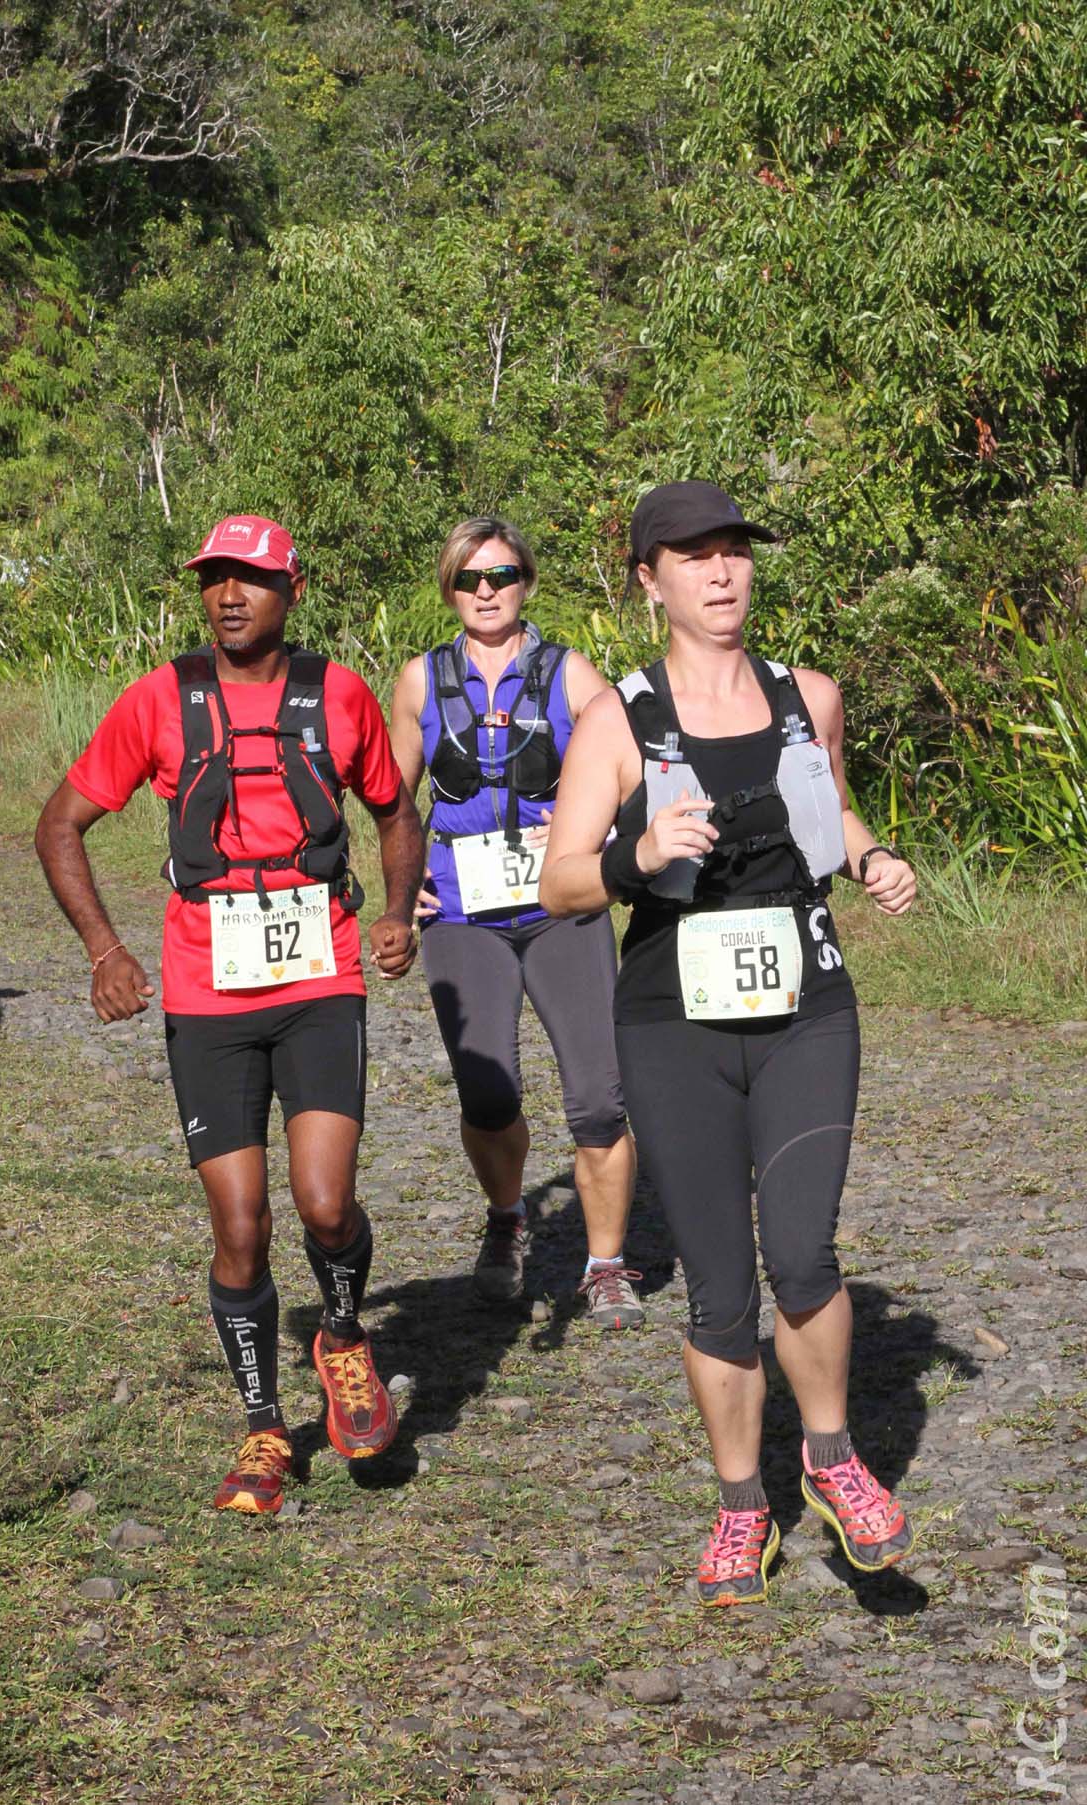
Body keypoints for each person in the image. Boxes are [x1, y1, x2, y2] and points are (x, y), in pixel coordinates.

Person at [539, 480, 918, 1603]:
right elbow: (561, 881)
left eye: (734, 553)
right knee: (718, 1287)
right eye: (692, 556)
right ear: (649, 580)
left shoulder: (811, 696)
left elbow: (822, 808)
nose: (720, 572)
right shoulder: (621, 718)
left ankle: (836, 1456)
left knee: (802, 1252)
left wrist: (868, 856)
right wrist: (634, 854)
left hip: (807, 1008)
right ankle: (741, 1504)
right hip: (674, 1024)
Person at [35, 514, 423, 1515]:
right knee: (240, 1224)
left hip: (320, 976)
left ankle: (341, 1334)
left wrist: (392, 913)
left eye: (251, 578)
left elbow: (394, 809)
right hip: (207, 989)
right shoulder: (161, 698)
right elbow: (61, 821)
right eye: (214, 578)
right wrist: (105, 948)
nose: (230, 595)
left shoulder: (338, 693)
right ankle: (261, 1423)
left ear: (291, 590)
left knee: (327, 1201)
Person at [390, 517, 641, 1327]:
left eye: (500, 575)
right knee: (487, 1089)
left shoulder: (569, 673)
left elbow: (629, 772)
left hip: (560, 904)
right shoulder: (420, 681)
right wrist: (400, 893)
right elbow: (392, 802)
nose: (486, 591)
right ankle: (507, 1218)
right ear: (450, 588)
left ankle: (605, 1263)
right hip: (463, 909)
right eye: (470, 579)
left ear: (527, 581)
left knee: (599, 1097)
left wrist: (611, 845)